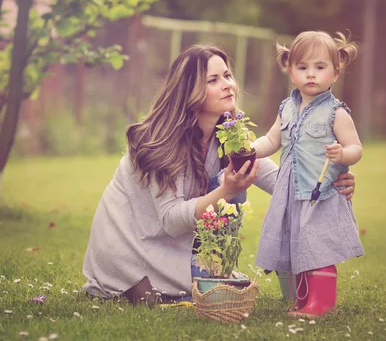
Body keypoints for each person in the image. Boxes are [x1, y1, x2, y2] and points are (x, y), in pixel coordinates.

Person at [82, 44, 357, 304]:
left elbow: (280, 179)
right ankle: (192, 276)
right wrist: (226, 190)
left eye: (227, 75)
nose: (227, 84)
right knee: (181, 291)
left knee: (217, 287)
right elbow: (170, 220)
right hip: (131, 250)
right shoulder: (160, 141)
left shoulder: (229, 131)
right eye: (212, 80)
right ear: (188, 91)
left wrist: (329, 183)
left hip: (171, 245)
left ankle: (205, 272)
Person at [252, 31, 364, 317]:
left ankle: (321, 301)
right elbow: (271, 140)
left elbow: (356, 148)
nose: (310, 74)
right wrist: (250, 149)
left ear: (335, 73)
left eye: (320, 67)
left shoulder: (336, 113)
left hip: (321, 189)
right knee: (296, 238)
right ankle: (302, 297)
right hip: (291, 190)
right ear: (291, 72)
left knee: (317, 242)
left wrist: (342, 154)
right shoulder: (287, 108)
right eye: (302, 67)